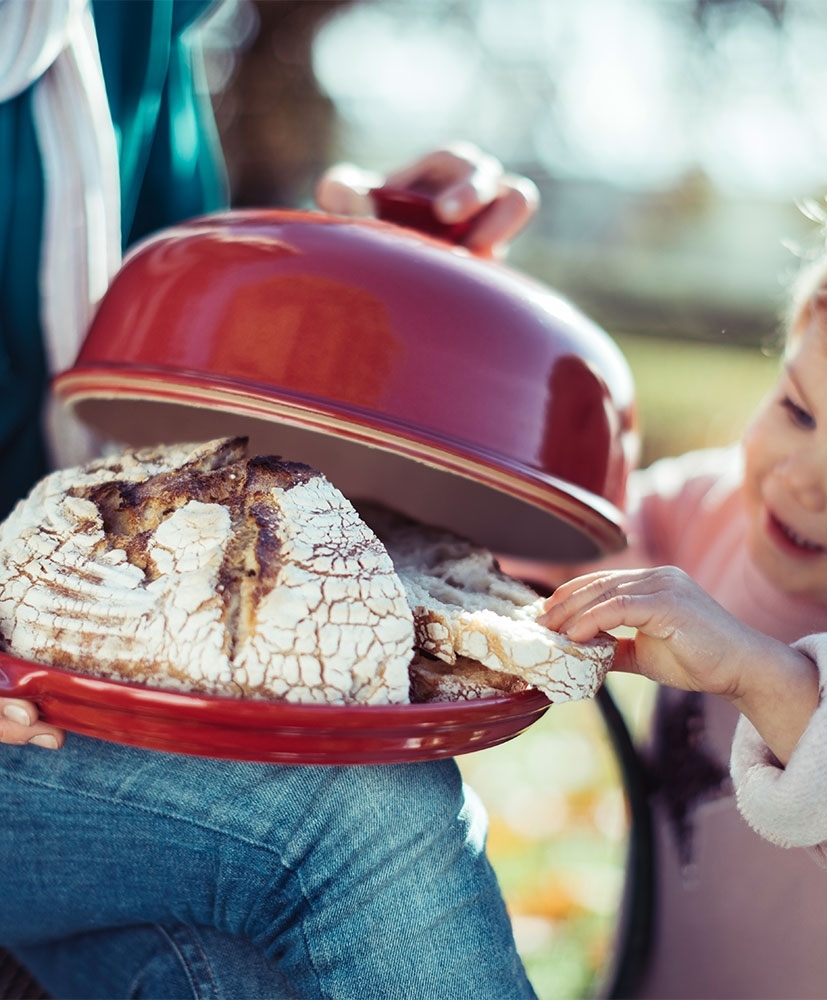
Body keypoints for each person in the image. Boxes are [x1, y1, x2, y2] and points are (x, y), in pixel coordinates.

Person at [0, 1, 538, 997]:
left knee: (243, 975)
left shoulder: (132, 21)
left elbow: (148, 369)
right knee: (354, 815)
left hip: (67, 681)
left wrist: (352, 273)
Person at [536, 194, 827, 998]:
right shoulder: (720, 506)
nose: (793, 477)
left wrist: (759, 673)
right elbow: (577, 542)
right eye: (795, 409)